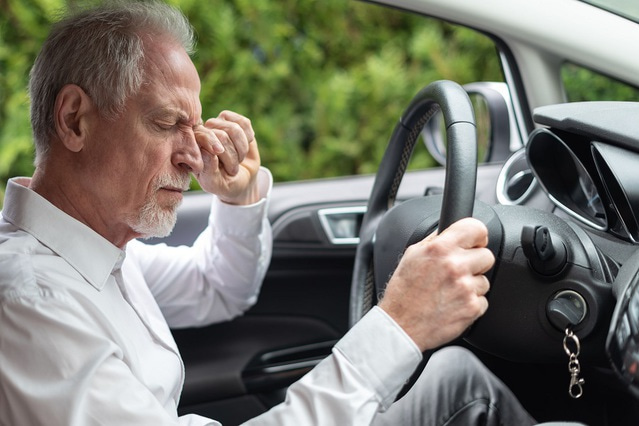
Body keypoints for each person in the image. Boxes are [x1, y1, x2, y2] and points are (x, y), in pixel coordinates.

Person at [0, 1, 547, 425]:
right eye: (167, 124)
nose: (194, 155)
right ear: (75, 120)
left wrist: (237, 199)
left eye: (196, 128)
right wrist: (400, 325)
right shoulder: (31, 301)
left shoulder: (94, 252)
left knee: (456, 380)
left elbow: (218, 287)